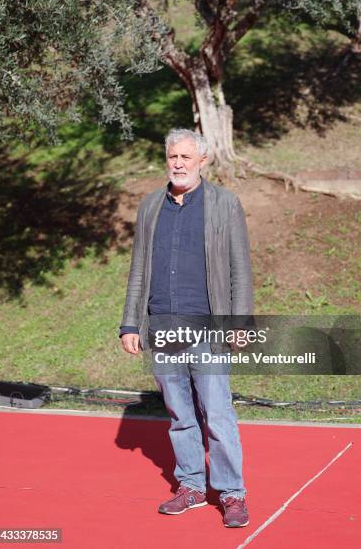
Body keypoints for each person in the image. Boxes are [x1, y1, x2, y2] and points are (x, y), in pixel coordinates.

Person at [119, 128, 254, 528]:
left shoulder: (224, 204)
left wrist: (239, 323)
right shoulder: (149, 207)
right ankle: (192, 486)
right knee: (179, 414)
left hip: (208, 330)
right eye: (172, 157)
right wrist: (130, 324)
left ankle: (232, 494)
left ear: (202, 161)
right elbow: (138, 269)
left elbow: (240, 270)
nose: (178, 164)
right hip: (161, 326)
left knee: (217, 414)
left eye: (185, 157)